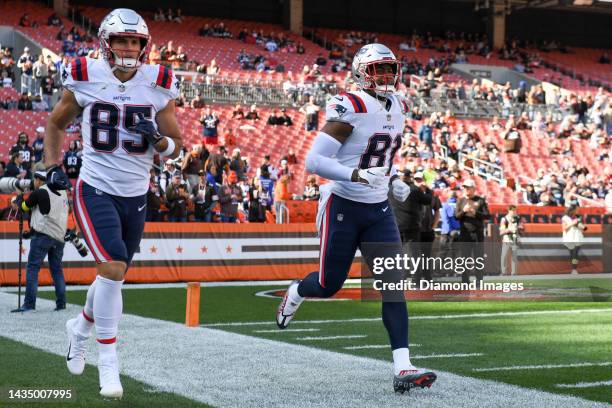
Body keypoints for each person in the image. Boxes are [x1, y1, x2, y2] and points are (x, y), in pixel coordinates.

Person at [276, 43, 435, 393]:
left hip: (378, 209)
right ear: (361, 72)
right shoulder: (352, 105)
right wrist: (357, 177)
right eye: (377, 69)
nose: (385, 76)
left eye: (389, 69)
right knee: (328, 284)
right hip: (343, 204)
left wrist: (394, 181)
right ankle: (296, 292)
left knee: (393, 287)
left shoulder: (399, 105)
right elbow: (315, 162)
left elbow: (378, 157)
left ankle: (403, 367)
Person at [45, 9, 182, 399]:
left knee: (112, 276)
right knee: (113, 267)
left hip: (135, 193)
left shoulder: (158, 83)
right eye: (122, 40)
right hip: (95, 188)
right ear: (106, 42)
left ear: (144, 46)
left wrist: (158, 141)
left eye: (135, 41)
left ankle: (81, 327)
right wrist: (51, 166)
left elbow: (176, 147)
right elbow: (56, 123)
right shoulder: (86, 75)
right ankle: (109, 363)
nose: (129, 47)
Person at [11, 171, 68, 313]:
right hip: (59, 237)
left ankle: (29, 304)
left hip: (43, 235)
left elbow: (23, 207)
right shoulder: (63, 193)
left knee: (32, 268)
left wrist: (19, 194)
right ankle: (61, 304)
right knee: (57, 270)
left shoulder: (40, 192)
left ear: (37, 179)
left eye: (34, 180)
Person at [455, 179, 490, 284]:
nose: (466, 189)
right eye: (464, 187)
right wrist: (464, 211)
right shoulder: (460, 201)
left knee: (478, 258)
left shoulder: (480, 200)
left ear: (473, 188)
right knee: (464, 258)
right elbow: (456, 216)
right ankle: (465, 281)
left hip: (477, 233)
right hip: (465, 233)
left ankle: (479, 281)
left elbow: (487, 215)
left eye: (468, 187)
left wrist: (475, 212)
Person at [499, 205, 523, 276]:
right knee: (504, 256)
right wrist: (510, 229)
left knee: (514, 257)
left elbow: (521, 228)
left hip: (515, 239)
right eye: (513, 210)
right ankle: (503, 272)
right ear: (509, 211)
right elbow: (501, 232)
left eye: (515, 210)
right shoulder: (504, 219)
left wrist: (520, 228)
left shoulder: (518, 218)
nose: (514, 212)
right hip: (507, 239)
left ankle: (514, 273)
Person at [562, 205, 586, 275]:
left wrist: (582, 227)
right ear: (572, 210)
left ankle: (574, 269)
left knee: (575, 254)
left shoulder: (579, 217)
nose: (578, 210)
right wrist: (572, 223)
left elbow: (582, 227)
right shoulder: (565, 218)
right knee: (572, 255)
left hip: (578, 238)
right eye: (577, 209)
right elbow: (564, 228)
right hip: (569, 238)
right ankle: (573, 268)